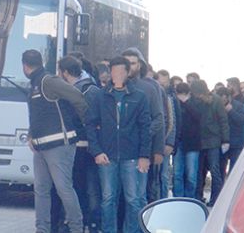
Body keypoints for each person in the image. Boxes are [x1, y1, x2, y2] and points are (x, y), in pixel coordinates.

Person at [22, 49, 87, 233]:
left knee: (62, 189)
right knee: (42, 189)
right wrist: (31, 135)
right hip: (42, 146)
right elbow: (38, 114)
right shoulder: (37, 82)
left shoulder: (47, 81)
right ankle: (42, 229)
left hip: (59, 145)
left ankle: (76, 228)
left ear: (24, 66)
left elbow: (77, 98)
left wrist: (82, 125)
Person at [87, 56, 151, 233]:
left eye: (121, 71)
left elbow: (146, 127)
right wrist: (96, 151)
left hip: (131, 156)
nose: (117, 74)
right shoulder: (101, 96)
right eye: (114, 71)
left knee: (133, 199)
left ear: (127, 72)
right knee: (108, 199)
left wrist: (144, 155)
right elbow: (90, 124)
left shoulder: (139, 96)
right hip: (107, 156)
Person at [55, 55, 102, 233]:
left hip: (80, 145)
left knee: (80, 187)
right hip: (89, 145)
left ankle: (79, 223)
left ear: (65, 72)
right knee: (87, 188)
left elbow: (86, 119)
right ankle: (89, 224)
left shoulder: (79, 91)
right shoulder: (93, 88)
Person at [122, 47, 165, 204]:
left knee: (140, 195)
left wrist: (158, 149)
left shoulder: (150, 88)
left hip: (142, 150)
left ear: (139, 65)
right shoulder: (113, 88)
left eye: (132, 63)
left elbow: (159, 119)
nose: (129, 66)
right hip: (118, 153)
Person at [191, 80, 229, 207]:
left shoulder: (216, 100)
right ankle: (198, 197)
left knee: (215, 170)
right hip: (200, 140)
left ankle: (216, 200)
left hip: (214, 140)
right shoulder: (196, 101)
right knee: (199, 171)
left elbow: (223, 120)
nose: (198, 96)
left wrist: (225, 140)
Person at [173, 83, 201, 199]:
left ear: (189, 94)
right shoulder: (174, 103)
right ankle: (178, 199)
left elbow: (198, 117)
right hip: (178, 142)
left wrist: (186, 103)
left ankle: (189, 199)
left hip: (193, 144)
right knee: (177, 174)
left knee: (191, 176)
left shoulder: (196, 103)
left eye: (184, 94)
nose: (181, 97)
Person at [157, 69, 181, 199]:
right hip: (153, 144)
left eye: (164, 84)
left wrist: (171, 143)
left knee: (164, 175)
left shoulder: (170, 99)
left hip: (165, 142)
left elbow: (173, 122)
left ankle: (164, 200)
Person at [216, 87, 244, 176]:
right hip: (221, 142)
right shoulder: (216, 105)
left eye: (225, 98)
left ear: (229, 97)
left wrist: (231, 111)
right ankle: (220, 189)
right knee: (220, 170)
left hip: (235, 143)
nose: (224, 100)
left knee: (234, 171)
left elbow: (242, 120)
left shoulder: (238, 105)